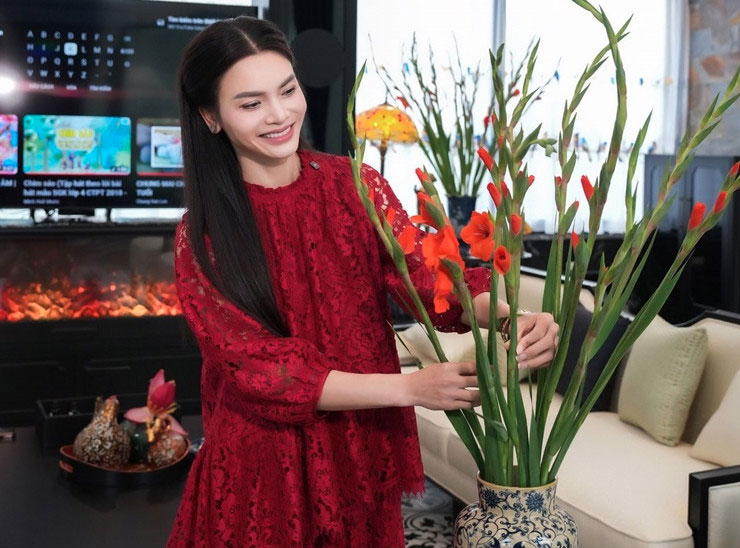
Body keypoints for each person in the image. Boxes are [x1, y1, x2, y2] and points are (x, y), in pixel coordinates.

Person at [167, 15, 559, 548]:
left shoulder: (356, 186)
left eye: (288, 90)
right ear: (211, 116)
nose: (280, 114)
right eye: (251, 103)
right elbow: (260, 371)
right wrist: (409, 388)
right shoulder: (203, 235)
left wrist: (513, 316)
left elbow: (427, 278)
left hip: (358, 447)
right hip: (265, 465)